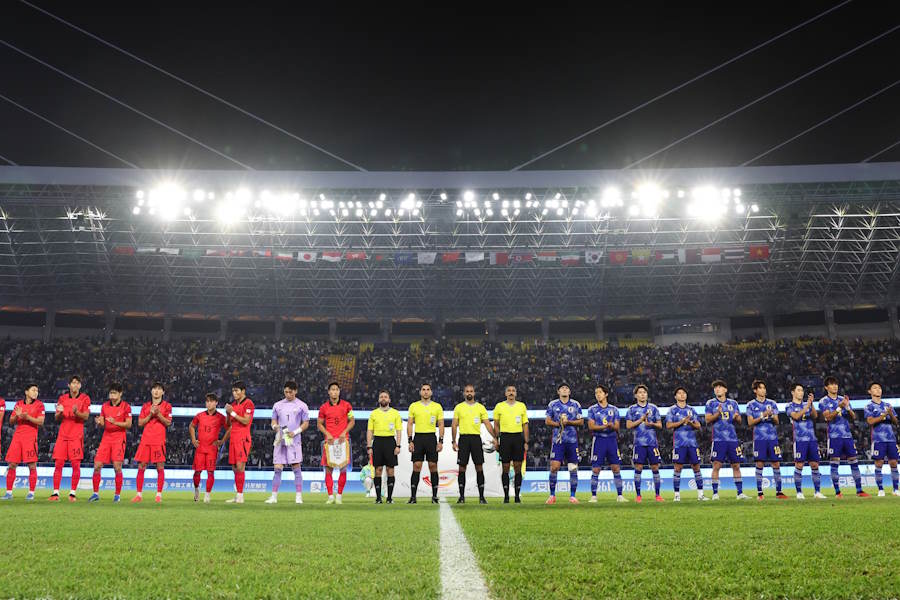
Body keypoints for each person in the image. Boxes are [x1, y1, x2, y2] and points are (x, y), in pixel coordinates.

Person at [819, 376, 869, 498]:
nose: (835, 386)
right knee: (835, 464)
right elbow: (828, 417)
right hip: (834, 436)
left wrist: (847, 407)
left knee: (854, 462)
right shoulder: (823, 401)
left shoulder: (843, 399)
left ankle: (859, 490)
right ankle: (837, 492)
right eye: (831, 384)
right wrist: (839, 407)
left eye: (835, 384)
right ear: (826, 387)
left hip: (847, 436)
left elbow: (854, 416)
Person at [453, 384, 497, 504]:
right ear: (464, 393)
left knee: (479, 467)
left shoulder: (480, 408)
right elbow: (454, 425)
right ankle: (461, 497)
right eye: (467, 391)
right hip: (464, 439)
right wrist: (453, 441)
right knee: (462, 467)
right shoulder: (459, 407)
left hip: (476, 439)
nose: (469, 393)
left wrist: (495, 437)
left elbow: (487, 424)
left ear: (474, 393)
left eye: (471, 391)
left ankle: (481, 497)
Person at [266, 381, 309, 504]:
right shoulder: (277, 405)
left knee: (296, 467)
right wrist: (275, 428)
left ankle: (299, 497)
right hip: (280, 440)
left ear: (295, 391)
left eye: (290, 392)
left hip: (294, 440)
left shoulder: (302, 405)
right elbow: (273, 421)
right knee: (277, 468)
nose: (288, 394)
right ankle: (273, 496)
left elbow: (306, 423)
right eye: (286, 392)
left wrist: (295, 432)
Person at [88, 382, 132, 503]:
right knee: (97, 466)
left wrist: (115, 422)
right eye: (111, 393)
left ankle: (117, 495)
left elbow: (128, 424)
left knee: (117, 467)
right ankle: (95, 493)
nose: (112, 395)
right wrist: (99, 422)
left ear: (120, 394)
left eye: (115, 393)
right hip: (106, 437)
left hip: (119, 437)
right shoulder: (105, 406)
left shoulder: (126, 407)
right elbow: (103, 423)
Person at [50, 375, 91, 502]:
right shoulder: (62, 398)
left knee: (75, 465)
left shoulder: (85, 398)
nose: (75, 385)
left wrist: (76, 412)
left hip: (76, 437)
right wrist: (60, 412)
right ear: (68, 385)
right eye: (73, 383)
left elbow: (86, 417)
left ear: (80, 385)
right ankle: (55, 493)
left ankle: (72, 493)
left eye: (77, 383)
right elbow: (56, 418)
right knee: (58, 464)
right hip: (63, 436)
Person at [1, 384, 45, 501]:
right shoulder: (19, 404)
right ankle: (9, 492)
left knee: (32, 465)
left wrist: (27, 417)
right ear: (26, 392)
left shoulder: (39, 405)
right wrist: (17, 416)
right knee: (12, 464)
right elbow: (11, 420)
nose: (36, 392)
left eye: (37, 390)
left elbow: (40, 422)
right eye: (33, 390)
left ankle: (31, 493)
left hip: (30, 438)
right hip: (18, 437)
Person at [705, 380, 748, 500]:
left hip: (732, 439)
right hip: (718, 439)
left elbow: (739, 420)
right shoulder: (711, 403)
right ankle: (715, 493)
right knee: (716, 466)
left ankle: (740, 493)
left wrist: (736, 417)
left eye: (719, 387)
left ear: (725, 390)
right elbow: (708, 420)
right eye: (715, 388)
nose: (717, 389)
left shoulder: (733, 403)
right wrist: (717, 414)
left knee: (736, 465)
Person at [745, 380, 788, 500]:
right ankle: (760, 493)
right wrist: (762, 415)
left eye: (764, 388)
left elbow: (777, 421)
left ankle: (779, 492)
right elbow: (750, 423)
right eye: (760, 388)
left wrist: (772, 416)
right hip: (759, 439)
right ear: (755, 390)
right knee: (759, 463)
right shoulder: (751, 405)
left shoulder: (772, 403)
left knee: (776, 463)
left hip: (772, 438)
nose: (763, 390)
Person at [132, 382, 172, 503]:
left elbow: (168, 422)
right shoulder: (145, 406)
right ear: (151, 391)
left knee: (160, 467)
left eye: (159, 389)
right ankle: (139, 494)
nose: (156, 391)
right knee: (141, 466)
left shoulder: (167, 406)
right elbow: (140, 423)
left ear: (163, 392)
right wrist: (150, 413)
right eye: (154, 388)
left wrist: (158, 414)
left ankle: (158, 495)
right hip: (146, 440)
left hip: (158, 440)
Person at [666, 386, 707, 502]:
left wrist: (690, 423)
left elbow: (698, 426)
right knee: (678, 468)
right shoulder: (672, 410)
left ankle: (700, 494)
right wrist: (682, 422)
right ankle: (677, 495)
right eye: (679, 393)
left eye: (684, 393)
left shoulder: (692, 410)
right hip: (679, 444)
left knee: (696, 467)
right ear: (675, 396)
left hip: (692, 443)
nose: (682, 395)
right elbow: (668, 426)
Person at [545, 383, 583, 504]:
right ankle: (552, 495)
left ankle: (572, 496)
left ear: (569, 392)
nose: (564, 390)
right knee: (554, 467)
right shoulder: (553, 404)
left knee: (573, 468)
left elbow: (581, 421)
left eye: (566, 388)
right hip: (558, 441)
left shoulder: (576, 404)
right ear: (558, 392)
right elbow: (547, 421)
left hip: (572, 441)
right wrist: (559, 424)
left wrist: (569, 422)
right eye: (562, 388)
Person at [587, 384, 626, 503]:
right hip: (599, 440)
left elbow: (617, 426)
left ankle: (620, 495)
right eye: (596, 393)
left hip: (611, 440)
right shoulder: (592, 409)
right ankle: (594, 496)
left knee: (616, 468)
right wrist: (605, 426)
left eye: (600, 392)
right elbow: (591, 426)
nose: (598, 394)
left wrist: (612, 426)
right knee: (596, 469)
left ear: (606, 394)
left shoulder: (614, 409)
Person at [317, 382, 355, 504]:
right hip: (330, 443)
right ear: (329, 392)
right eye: (332, 389)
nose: (334, 392)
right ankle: (330, 496)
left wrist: (344, 432)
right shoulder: (323, 407)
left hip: (343, 442)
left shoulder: (347, 406)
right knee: (328, 469)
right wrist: (327, 433)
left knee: (343, 469)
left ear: (339, 391)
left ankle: (339, 495)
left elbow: (352, 421)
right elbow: (319, 424)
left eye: (336, 389)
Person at [786, 383, 825, 500]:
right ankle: (799, 492)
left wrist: (811, 404)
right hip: (799, 440)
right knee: (799, 465)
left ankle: (817, 492)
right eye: (798, 390)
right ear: (793, 392)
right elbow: (796, 416)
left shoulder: (807, 405)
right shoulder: (789, 406)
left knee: (815, 464)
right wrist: (806, 406)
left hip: (812, 439)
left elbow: (815, 415)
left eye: (802, 390)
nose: (801, 392)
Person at [626, 384, 663, 503]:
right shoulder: (632, 409)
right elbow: (628, 425)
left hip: (652, 443)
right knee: (638, 468)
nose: (642, 394)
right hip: (639, 443)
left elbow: (660, 425)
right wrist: (641, 420)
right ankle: (638, 496)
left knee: (655, 468)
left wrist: (651, 424)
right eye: (640, 392)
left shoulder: (653, 408)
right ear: (636, 395)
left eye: (644, 392)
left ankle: (657, 495)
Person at [407, 383, 443, 504]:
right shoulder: (414, 406)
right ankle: (413, 497)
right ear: (420, 392)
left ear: (431, 392)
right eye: (423, 390)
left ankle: (434, 496)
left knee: (433, 466)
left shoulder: (437, 406)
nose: (426, 392)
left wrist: (440, 441)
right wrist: (410, 440)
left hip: (431, 437)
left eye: (428, 390)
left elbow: (441, 424)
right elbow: (410, 424)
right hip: (418, 437)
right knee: (416, 466)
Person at [493, 384, 529, 503]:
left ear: (516, 393)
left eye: (513, 390)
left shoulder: (521, 406)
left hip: (518, 437)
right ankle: (506, 496)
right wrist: (496, 439)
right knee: (505, 468)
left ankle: (517, 496)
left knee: (518, 467)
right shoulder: (499, 406)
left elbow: (525, 425)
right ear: (505, 394)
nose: (511, 392)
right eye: (509, 391)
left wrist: (526, 441)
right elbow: (496, 424)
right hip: (505, 438)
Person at [190, 393, 229, 503]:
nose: (209, 403)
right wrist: (193, 439)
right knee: (197, 472)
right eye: (207, 401)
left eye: (211, 401)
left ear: (216, 403)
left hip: (212, 448)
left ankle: (207, 494)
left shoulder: (221, 417)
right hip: (200, 448)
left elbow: (229, 428)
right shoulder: (199, 415)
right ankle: (197, 489)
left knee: (210, 472)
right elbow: (192, 426)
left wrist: (222, 441)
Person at [863, 381, 899, 497]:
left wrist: (891, 414)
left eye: (879, 388)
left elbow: (896, 422)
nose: (878, 390)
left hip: (891, 439)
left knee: (894, 463)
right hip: (878, 440)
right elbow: (870, 421)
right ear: (870, 392)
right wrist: (883, 415)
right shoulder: (868, 406)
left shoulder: (887, 405)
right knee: (879, 463)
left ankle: (896, 489)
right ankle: (881, 489)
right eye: (875, 388)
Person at [367, 390, 402, 504]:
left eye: (385, 397)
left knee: (390, 470)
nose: (383, 398)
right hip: (377, 441)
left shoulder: (395, 413)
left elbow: (398, 430)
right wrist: (369, 446)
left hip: (390, 442)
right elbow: (370, 431)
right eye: (381, 397)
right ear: (378, 400)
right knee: (378, 470)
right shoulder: (373, 414)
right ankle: (378, 498)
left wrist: (398, 445)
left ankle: (390, 498)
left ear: (389, 400)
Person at [224, 381, 255, 504]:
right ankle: (238, 494)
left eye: (236, 390)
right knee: (234, 467)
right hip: (233, 438)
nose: (234, 393)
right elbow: (228, 424)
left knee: (240, 466)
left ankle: (240, 496)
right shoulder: (233, 404)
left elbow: (246, 421)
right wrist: (227, 414)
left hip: (243, 438)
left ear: (243, 391)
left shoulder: (248, 403)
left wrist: (232, 412)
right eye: (233, 391)